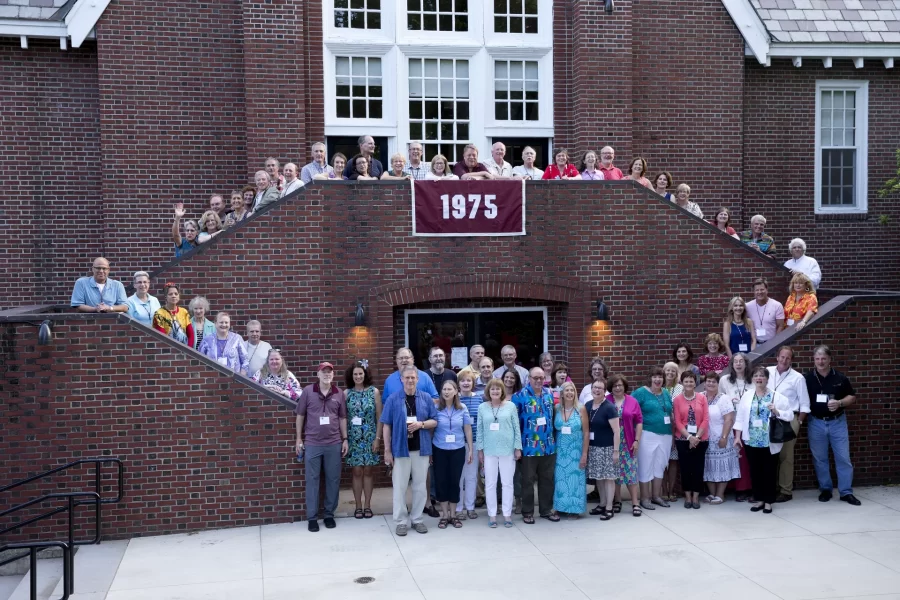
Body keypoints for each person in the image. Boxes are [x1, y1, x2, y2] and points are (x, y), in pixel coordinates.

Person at [381, 366, 438, 536]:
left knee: (420, 487)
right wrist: (387, 450)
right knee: (399, 487)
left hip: (421, 449)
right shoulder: (393, 399)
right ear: (401, 379)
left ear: (418, 379)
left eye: (413, 377)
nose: (410, 380)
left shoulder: (426, 398)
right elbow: (386, 425)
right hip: (400, 449)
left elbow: (434, 421)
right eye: (407, 378)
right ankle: (400, 521)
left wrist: (421, 424)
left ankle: (417, 519)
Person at [295, 362, 349, 532]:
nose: (327, 375)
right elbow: (300, 415)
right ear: (317, 374)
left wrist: (345, 438)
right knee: (312, 480)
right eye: (323, 372)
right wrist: (298, 439)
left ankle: (328, 515)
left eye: (329, 372)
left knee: (333, 480)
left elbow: (342, 418)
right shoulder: (308, 392)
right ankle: (312, 517)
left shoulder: (338, 394)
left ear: (333, 375)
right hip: (312, 443)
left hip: (334, 443)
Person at [804, 346, 860, 505]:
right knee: (820, 459)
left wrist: (841, 402)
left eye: (823, 358)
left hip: (837, 422)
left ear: (829, 359)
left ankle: (846, 492)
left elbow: (852, 397)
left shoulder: (840, 378)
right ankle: (826, 489)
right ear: (814, 360)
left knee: (843, 457)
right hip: (816, 423)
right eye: (817, 359)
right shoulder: (808, 379)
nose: (820, 362)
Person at [733, 366, 793, 514]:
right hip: (751, 440)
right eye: (756, 376)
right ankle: (759, 499)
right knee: (755, 471)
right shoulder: (747, 396)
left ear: (767, 379)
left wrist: (777, 411)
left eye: (762, 376)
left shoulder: (776, 397)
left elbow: (790, 415)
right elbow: (740, 417)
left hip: (769, 441)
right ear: (753, 379)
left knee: (769, 471)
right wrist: (737, 437)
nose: (759, 378)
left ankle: (768, 501)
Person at [513, 367, 559, 523]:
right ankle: (527, 512)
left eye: (541, 378)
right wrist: (517, 446)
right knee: (527, 480)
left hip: (548, 446)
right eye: (535, 378)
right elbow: (515, 424)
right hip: (528, 447)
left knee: (547, 479)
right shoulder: (519, 397)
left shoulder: (549, 394)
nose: (539, 381)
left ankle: (546, 510)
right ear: (529, 379)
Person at [766, 346, 810, 503]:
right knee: (769, 455)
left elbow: (805, 404)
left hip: (788, 420)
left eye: (788, 358)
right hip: (768, 418)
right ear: (777, 357)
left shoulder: (798, 378)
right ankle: (770, 488)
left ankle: (785, 490)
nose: (784, 360)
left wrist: (798, 422)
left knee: (786, 457)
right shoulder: (767, 372)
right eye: (782, 357)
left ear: (792, 360)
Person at [477, 378, 522, 528]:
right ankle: (492, 514)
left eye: (498, 389)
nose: (495, 391)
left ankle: (507, 514)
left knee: (507, 483)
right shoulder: (482, 407)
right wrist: (480, 450)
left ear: (502, 391)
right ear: (488, 391)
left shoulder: (510, 406)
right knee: (490, 484)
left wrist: (517, 447)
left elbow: (517, 428)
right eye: (492, 389)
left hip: (507, 450)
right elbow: (480, 431)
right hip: (489, 451)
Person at [343, 360, 383, 519]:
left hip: (370, 437)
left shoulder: (374, 392)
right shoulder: (346, 394)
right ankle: (358, 505)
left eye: (360, 373)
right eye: (355, 374)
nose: (358, 376)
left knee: (368, 470)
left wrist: (378, 438)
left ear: (365, 374)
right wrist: (345, 438)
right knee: (357, 470)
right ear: (351, 376)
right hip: (354, 438)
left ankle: (367, 505)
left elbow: (380, 417)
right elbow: (343, 417)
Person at [433, 380, 473, 529]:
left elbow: (467, 429)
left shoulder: (462, 408)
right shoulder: (436, 408)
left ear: (456, 391)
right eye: (444, 389)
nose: (446, 392)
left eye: (450, 389)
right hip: (440, 449)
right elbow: (432, 429)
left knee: (455, 482)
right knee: (441, 481)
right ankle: (444, 515)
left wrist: (470, 449)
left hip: (457, 449)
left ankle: (453, 515)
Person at [634, 367, 674, 510]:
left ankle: (656, 496)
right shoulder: (641, 393)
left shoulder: (666, 393)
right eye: (654, 377)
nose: (658, 380)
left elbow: (670, 413)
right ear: (650, 378)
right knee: (646, 465)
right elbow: (630, 410)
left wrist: (673, 435)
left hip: (666, 435)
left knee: (660, 465)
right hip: (647, 434)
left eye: (660, 377)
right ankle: (645, 498)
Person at [608, 374, 644, 517]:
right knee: (614, 473)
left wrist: (637, 440)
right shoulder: (607, 400)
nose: (617, 388)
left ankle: (635, 503)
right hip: (611, 443)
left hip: (628, 442)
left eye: (620, 385)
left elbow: (639, 422)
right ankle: (617, 501)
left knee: (631, 473)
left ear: (625, 387)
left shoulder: (632, 401)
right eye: (615, 385)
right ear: (611, 387)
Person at [719, 352, 753, 501]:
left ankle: (747, 488)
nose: (738, 364)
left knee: (747, 458)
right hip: (732, 423)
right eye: (736, 361)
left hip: (749, 424)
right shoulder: (725, 380)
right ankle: (734, 488)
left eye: (741, 361)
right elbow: (720, 401)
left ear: (746, 364)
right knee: (735, 457)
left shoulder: (753, 380)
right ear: (732, 365)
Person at [673, 371, 709, 509]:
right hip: (683, 439)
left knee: (698, 468)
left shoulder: (702, 398)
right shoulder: (677, 400)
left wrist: (697, 437)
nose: (689, 383)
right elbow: (677, 421)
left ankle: (696, 497)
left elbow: (705, 419)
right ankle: (687, 496)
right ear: (682, 383)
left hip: (701, 439)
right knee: (686, 469)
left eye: (691, 381)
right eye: (686, 381)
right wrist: (689, 437)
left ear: (695, 383)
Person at [702, 372, 740, 504]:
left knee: (722, 466)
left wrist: (724, 436)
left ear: (718, 384)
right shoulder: (701, 396)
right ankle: (712, 494)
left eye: (713, 381)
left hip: (721, 438)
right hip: (705, 438)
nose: (710, 384)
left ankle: (720, 494)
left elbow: (729, 419)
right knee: (708, 466)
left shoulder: (724, 398)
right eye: (708, 381)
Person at [585, 379, 620, 520]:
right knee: (599, 478)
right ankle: (602, 504)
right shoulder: (587, 406)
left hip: (608, 448)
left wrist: (616, 451)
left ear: (604, 390)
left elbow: (617, 431)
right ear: (591, 389)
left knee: (609, 479)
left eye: (600, 388)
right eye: (595, 387)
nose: (597, 390)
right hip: (594, 448)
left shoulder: (609, 407)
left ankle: (609, 508)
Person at [553, 381, 588, 518]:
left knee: (575, 480)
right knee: (560, 479)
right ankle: (560, 507)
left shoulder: (581, 409)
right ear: (562, 393)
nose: (570, 393)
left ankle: (575, 509)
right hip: (560, 451)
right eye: (567, 390)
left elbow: (586, 433)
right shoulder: (556, 408)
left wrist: (584, 454)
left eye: (572, 390)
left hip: (576, 451)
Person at [456, 370, 482, 519]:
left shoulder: (479, 399)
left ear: (473, 384)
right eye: (463, 381)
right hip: (458, 443)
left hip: (475, 442)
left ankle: (470, 507)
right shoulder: (455, 399)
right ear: (458, 383)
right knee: (459, 477)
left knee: (472, 476)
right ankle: (458, 508)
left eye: (469, 381)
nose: (466, 383)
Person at [662, 361, 683, 501]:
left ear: (677, 374)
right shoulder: (659, 387)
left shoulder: (680, 388)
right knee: (662, 461)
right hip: (661, 429)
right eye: (668, 370)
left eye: (673, 371)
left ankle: (671, 490)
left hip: (676, 428)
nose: (670, 373)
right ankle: (663, 491)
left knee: (673, 460)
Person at [748, 278, 786, 345]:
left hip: (770, 344)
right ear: (754, 292)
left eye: (762, 289)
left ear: (767, 290)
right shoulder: (748, 306)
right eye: (757, 290)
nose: (759, 292)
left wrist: (775, 343)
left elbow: (780, 326)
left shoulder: (776, 305)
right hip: (754, 345)